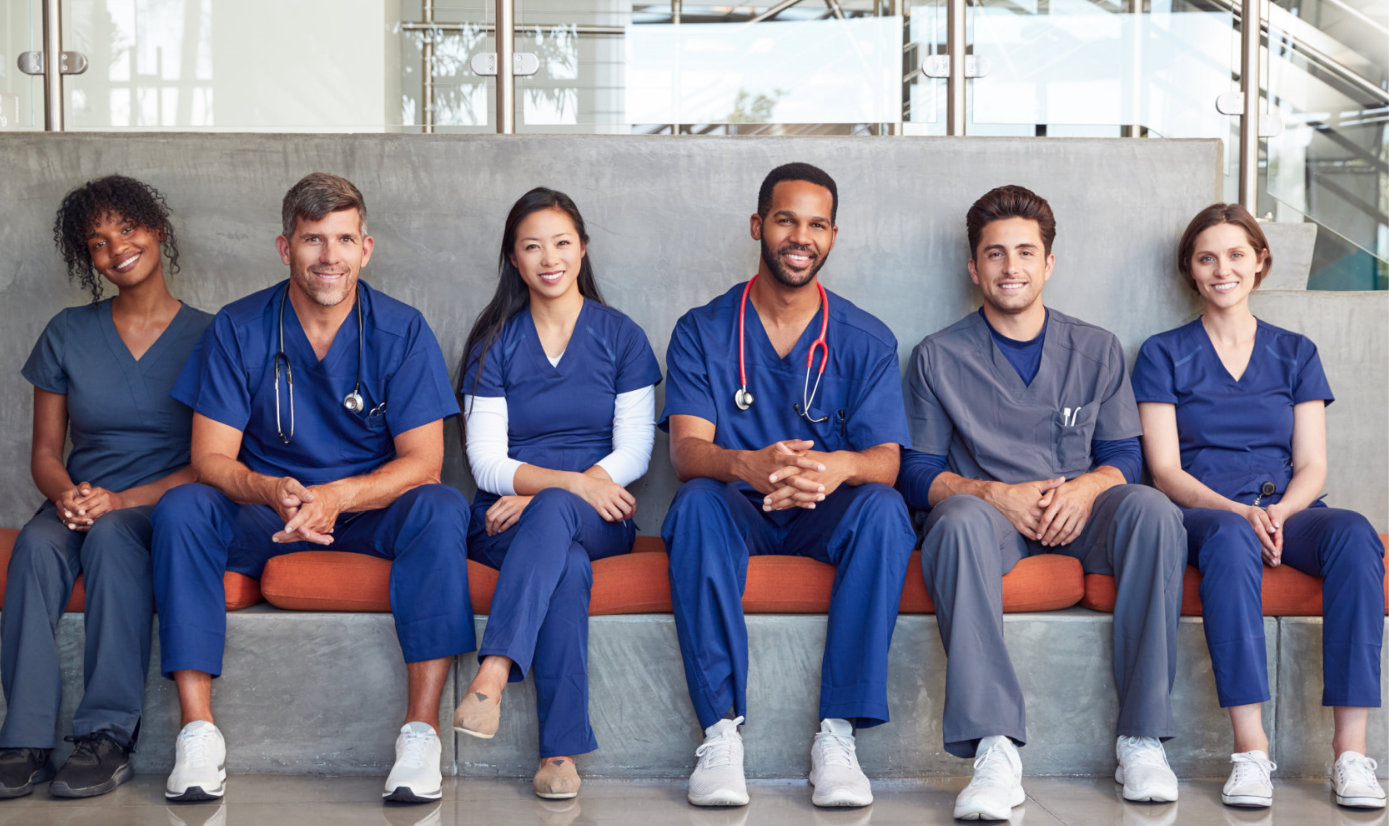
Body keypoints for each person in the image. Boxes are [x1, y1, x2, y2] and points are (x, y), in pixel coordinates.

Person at [150, 173, 472, 804]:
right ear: (284, 247)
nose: (330, 256)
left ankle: (420, 734)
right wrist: (269, 487)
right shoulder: (238, 328)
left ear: (366, 248)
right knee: (184, 505)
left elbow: (424, 461)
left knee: (440, 505)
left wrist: (339, 497)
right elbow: (209, 457)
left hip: (365, 512)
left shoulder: (401, 331)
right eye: (313, 239)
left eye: (344, 239)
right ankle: (197, 733)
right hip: (266, 509)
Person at [898, 185, 1186, 820]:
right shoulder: (937, 356)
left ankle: (1141, 739)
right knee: (953, 522)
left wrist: (1085, 488)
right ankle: (995, 749)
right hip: (991, 520)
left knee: (1153, 511)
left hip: (1082, 515)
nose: (1011, 268)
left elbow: (1127, 457)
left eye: (1026, 252)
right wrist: (992, 493)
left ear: (1049, 263)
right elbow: (915, 471)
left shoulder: (1098, 348)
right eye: (995, 254)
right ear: (974, 267)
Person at [660, 162, 915, 809]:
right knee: (692, 505)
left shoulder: (864, 337)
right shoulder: (702, 329)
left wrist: (838, 467)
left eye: (815, 224)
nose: (799, 237)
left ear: (832, 235)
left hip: (823, 513)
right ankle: (719, 735)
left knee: (884, 509)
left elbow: (885, 459)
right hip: (735, 508)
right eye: (785, 220)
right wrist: (744, 464)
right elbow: (687, 450)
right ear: (758, 225)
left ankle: (836, 737)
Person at [1132, 203, 1385, 810]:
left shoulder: (1296, 352)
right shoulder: (1162, 353)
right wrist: (1240, 513)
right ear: (1191, 271)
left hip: (1288, 511)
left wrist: (1281, 512)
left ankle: (1350, 756)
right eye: (1207, 257)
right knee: (1227, 537)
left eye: (1237, 254)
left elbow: (1313, 465)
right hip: (1208, 511)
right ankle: (1250, 753)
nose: (1223, 269)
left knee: (1355, 533)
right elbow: (1166, 472)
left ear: (1260, 262)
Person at [0, 176, 212, 800]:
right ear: (85, 257)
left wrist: (120, 501)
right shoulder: (67, 330)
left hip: (158, 504)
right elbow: (44, 451)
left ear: (159, 230)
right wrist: (67, 493)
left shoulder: (210, 335)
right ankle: (25, 739)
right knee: (34, 547)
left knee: (115, 538)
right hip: (77, 498)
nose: (115, 247)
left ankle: (107, 737)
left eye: (127, 228)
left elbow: (212, 462)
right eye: (96, 241)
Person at [452, 187, 661, 800]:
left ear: (583, 250)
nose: (550, 257)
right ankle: (559, 754)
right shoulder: (495, 343)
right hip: (508, 519)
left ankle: (493, 671)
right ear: (513, 259)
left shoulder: (622, 337)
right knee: (564, 568)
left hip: (602, 514)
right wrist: (561, 486)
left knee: (560, 523)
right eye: (533, 245)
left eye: (563, 243)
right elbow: (486, 463)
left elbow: (635, 453)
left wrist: (556, 493)